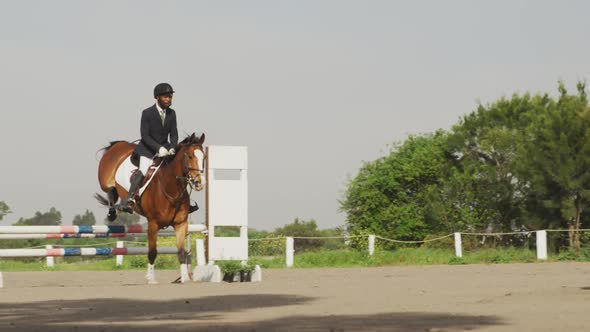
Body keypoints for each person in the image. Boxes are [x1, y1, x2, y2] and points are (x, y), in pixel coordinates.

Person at [117, 83, 199, 214]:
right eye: (166, 96)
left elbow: (174, 134)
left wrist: (172, 147)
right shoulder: (147, 113)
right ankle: (130, 199)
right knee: (143, 170)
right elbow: (145, 135)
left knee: (178, 170)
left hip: (166, 149)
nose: (168, 99)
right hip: (148, 149)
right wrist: (158, 148)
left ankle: (185, 201)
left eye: (170, 97)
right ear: (157, 97)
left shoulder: (172, 113)